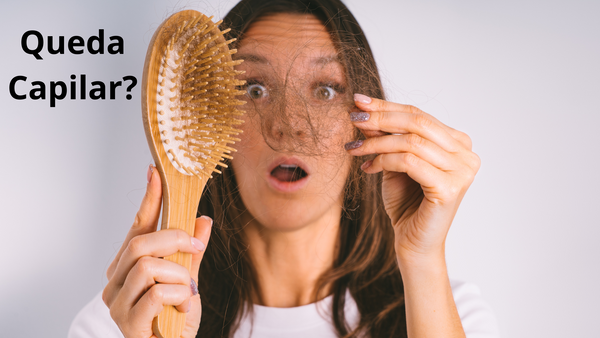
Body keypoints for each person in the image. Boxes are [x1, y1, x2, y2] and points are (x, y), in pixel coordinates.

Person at [69, 0, 499, 337]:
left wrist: (422, 258)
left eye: (325, 90)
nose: (289, 125)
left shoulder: (447, 312)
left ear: (369, 124)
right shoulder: (121, 321)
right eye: (254, 89)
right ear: (211, 119)